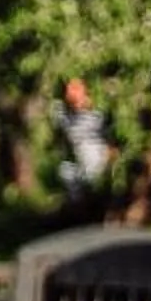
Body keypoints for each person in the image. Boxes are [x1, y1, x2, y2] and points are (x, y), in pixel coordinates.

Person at [54, 77, 115, 206]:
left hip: (99, 160)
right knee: (66, 171)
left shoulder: (98, 113)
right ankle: (78, 206)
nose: (73, 97)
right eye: (70, 94)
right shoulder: (66, 117)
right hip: (83, 165)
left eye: (77, 92)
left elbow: (110, 138)